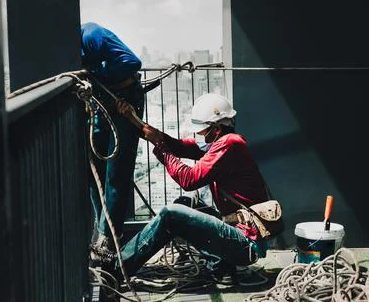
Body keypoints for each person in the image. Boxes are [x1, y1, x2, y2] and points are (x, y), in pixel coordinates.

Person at [107, 92, 271, 281]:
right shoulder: (220, 142)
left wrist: (161, 147)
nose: (200, 135)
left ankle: (117, 270)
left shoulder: (229, 144)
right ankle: (220, 265)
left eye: (202, 131)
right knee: (184, 203)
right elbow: (177, 146)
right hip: (237, 232)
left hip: (245, 243)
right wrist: (133, 120)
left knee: (172, 214)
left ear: (216, 129)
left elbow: (189, 179)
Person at [80, 22, 145, 260]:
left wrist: (96, 75)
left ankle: (109, 238)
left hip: (124, 100)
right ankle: (104, 231)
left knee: (116, 172)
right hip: (104, 101)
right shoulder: (83, 40)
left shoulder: (91, 36)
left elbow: (133, 62)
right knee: (94, 169)